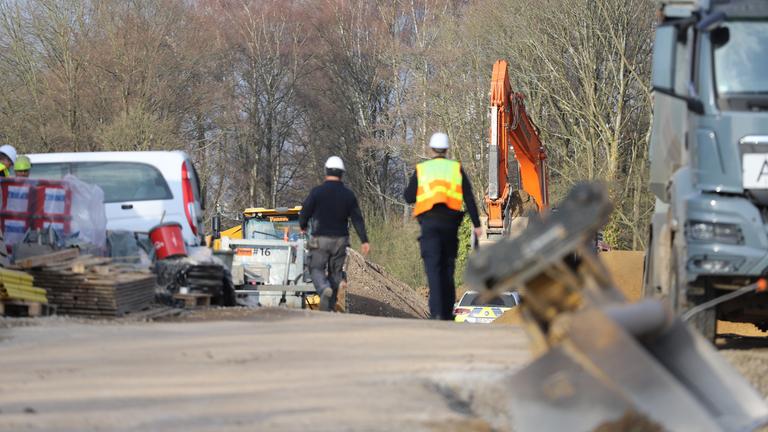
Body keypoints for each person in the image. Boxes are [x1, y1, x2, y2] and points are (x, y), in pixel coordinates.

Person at [404, 132, 482, 320]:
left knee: (433, 268)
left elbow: (408, 196)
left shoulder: (422, 169)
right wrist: (477, 224)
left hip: (429, 225)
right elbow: (469, 197)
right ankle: (446, 313)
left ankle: (437, 312)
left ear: (431, 149)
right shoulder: (455, 169)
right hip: (450, 225)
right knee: (448, 268)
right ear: (447, 149)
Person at [299, 156, 370, 311]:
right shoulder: (348, 195)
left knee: (315, 268)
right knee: (336, 273)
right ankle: (329, 306)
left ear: (326, 171)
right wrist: (364, 240)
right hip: (340, 240)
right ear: (342, 173)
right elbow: (357, 219)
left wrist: (303, 226)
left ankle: (323, 288)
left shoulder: (317, 192)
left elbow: (305, 212)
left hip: (321, 238)